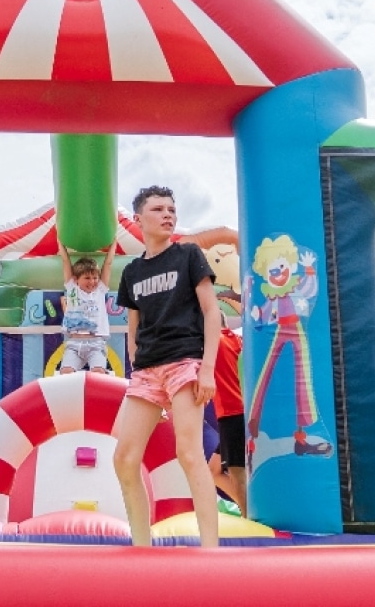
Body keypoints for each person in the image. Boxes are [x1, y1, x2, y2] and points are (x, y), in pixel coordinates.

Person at [113, 185, 222, 547]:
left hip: (185, 361)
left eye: (172, 209)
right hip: (147, 372)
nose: (167, 214)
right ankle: (141, 547)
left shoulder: (188, 255)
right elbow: (133, 328)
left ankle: (211, 550)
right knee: (124, 458)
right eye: (158, 209)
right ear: (138, 219)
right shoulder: (132, 272)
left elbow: (211, 311)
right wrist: (136, 374)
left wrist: (207, 369)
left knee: (189, 453)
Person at [58, 239, 116, 374]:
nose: (92, 282)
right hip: (74, 344)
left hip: (96, 344)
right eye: (87, 278)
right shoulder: (72, 288)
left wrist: (114, 243)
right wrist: (60, 241)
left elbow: (108, 263)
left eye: (95, 278)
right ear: (76, 279)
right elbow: (66, 261)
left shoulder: (100, 290)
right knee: (65, 372)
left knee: (98, 372)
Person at [208, 316, 247, 517]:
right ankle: (244, 508)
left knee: (237, 473)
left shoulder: (214, 344)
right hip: (239, 411)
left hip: (232, 413)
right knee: (214, 471)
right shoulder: (235, 339)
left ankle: (250, 515)